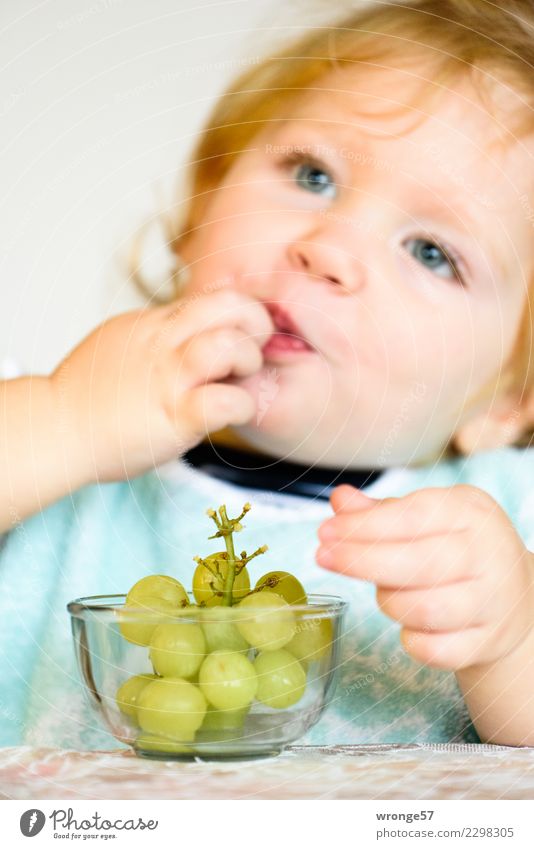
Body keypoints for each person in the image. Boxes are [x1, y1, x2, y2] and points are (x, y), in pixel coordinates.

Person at [1, 0, 534, 750]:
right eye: (313, 175)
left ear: (509, 399)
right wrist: (62, 419)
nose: (329, 248)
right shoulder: (46, 444)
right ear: (200, 209)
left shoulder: (510, 518)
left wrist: (513, 639)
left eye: (430, 252)